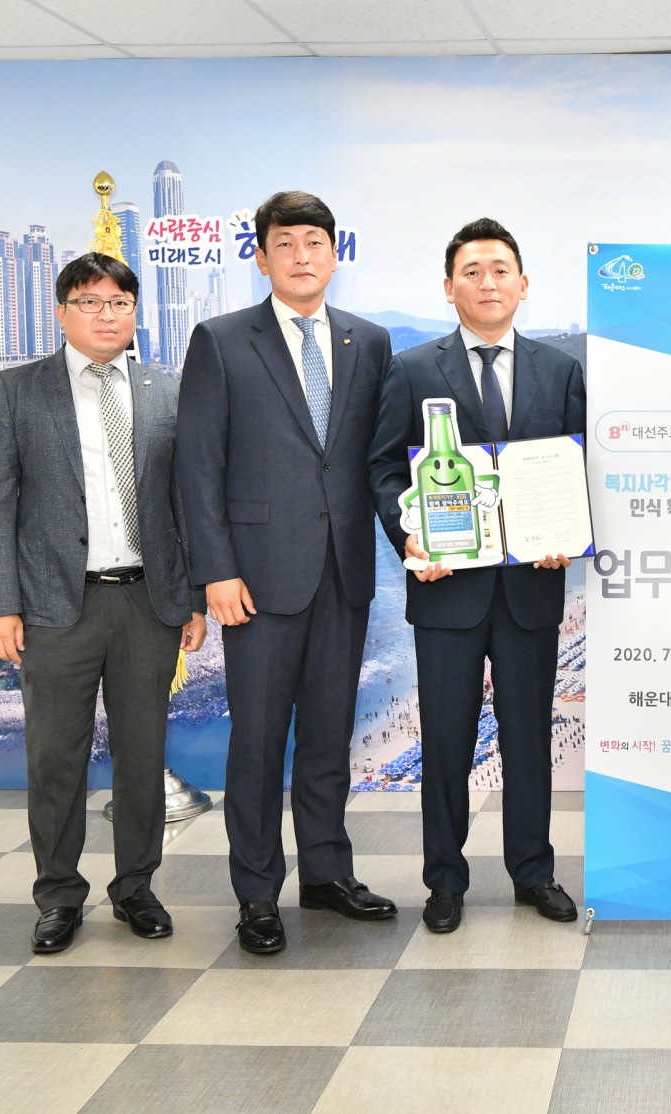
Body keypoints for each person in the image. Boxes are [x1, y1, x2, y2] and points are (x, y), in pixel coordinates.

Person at [177, 191, 397, 954]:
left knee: (330, 738)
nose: (302, 255)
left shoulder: (370, 341)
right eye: (285, 242)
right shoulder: (221, 340)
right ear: (262, 256)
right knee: (259, 741)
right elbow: (198, 466)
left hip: (344, 573)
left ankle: (327, 874)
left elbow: (377, 458)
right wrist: (216, 571)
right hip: (257, 580)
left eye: (314, 242)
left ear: (335, 253)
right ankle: (257, 894)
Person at [0, 253, 206, 954]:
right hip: (54, 604)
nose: (106, 315)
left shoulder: (165, 390)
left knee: (142, 755)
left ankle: (136, 887)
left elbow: (186, 502)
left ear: (135, 312)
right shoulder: (18, 389)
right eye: (89, 302)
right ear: (61, 312)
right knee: (55, 758)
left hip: (147, 603)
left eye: (119, 303)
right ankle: (58, 896)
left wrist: (193, 596)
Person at [369, 218, 585, 935]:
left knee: (528, 739)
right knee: (445, 742)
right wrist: (408, 534)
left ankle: (534, 872)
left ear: (523, 285)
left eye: (500, 270)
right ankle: (444, 879)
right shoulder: (412, 369)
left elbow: (576, 465)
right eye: (472, 271)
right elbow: (384, 467)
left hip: (531, 589)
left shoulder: (561, 370)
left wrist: (566, 535)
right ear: (448, 287)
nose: (487, 283)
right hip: (446, 590)